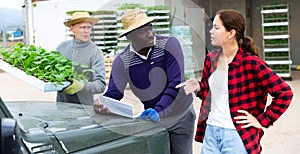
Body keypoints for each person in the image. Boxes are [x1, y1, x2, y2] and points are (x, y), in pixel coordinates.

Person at [176, 9, 293, 154]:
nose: (211, 31)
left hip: (236, 135)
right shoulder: (211, 59)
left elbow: (285, 93)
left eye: (216, 28)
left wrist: (262, 120)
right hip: (211, 131)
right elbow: (210, 95)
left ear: (231, 33)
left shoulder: (251, 63)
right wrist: (199, 87)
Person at [93, 9, 196, 154]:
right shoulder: (123, 61)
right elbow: (114, 93)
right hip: (154, 119)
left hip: (180, 115)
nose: (150, 34)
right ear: (130, 37)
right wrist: (103, 103)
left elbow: (176, 84)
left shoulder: (169, 45)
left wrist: (158, 110)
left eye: (150, 28)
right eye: (143, 31)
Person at [56, 11, 106, 105]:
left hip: (84, 109)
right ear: (72, 29)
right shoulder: (61, 48)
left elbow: (101, 85)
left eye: (89, 27)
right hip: (62, 107)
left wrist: (82, 86)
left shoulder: (95, 52)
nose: (86, 31)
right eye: (82, 27)